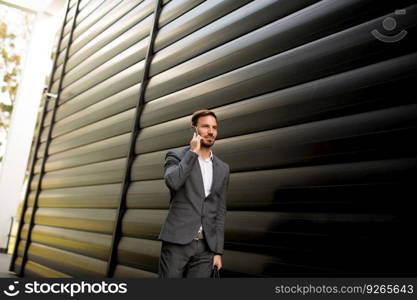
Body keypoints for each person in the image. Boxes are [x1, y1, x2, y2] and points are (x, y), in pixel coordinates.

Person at [158, 109, 230, 278]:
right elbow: (173, 182)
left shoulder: (223, 168)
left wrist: (217, 251)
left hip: (206, 247)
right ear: (194, 129)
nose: (211, 131)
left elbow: (220, 211)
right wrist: (192, 153)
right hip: (177, 242)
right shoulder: (176, 156)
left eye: (214, 127)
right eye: (205, 126)